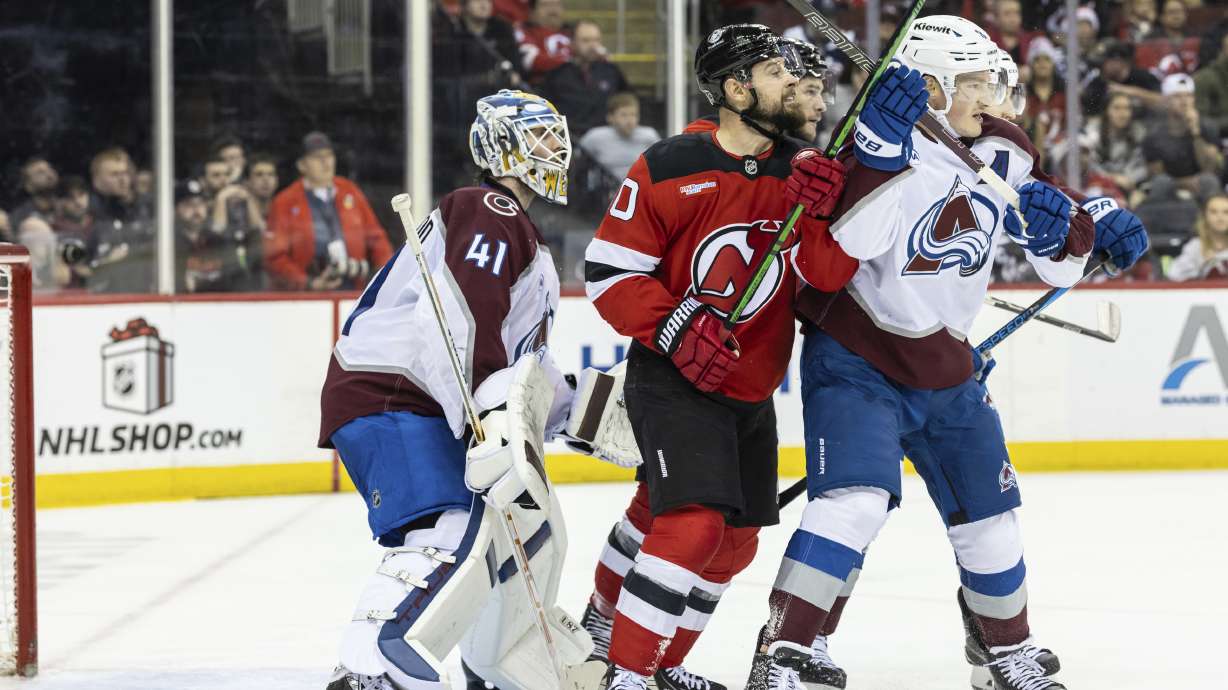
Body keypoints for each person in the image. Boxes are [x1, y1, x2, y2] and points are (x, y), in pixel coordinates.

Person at [749, 16, 1148, 690]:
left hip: (948, 368)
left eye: (992, 81)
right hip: (857, 356)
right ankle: (785, 651)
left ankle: (1004, 654)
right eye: (973, 82)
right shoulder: (872, 138)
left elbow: (1054, 253)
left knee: (991, 518)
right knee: (854, 503)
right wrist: (878, 152)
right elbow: (853, 249)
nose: (991, 96)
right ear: (930, 87)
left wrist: (1080, 231)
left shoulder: (1004, 149)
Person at [582, 25, 856, 690]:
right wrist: (676, 325)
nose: (793, 81)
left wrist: (821, 215)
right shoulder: (671, 164)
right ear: (736, 89)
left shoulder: (805, 170)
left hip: (751, 388)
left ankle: (651, 656)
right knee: (693, 520)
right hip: (673, 375)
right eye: (772, 71)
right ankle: (627, 672)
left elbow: (827, 276)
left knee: (734, 543)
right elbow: (609, 273)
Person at [320, 89, 589, 690]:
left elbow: (526, 365)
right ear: (501, 148)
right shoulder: (487, 207)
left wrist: (585, 410)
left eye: (556, 133)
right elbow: (461, 316)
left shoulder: (522, 234)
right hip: (397, 396)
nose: (557, 147)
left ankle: (494, 670)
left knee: (496, 542)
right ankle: (370, 666)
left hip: (418, 401)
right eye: (541, 135)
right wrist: (483, 417)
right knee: (447, 531)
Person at [264, 131, 393, 291]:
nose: (326, 163)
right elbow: (275, 257)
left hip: (355, 289)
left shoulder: (349, 191)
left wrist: (387, 275)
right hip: (307, 296)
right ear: (302, 165)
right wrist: (308, 283)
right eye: (318, 157)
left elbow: (376, 239)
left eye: (329, 156)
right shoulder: (285, 202)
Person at [540, 19, 630, 136]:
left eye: (596, 40)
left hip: (606, 137)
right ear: (572, 43)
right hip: (570, 138)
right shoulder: (557, 74)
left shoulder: (611, 71)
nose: (593, 45)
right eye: (586, 40)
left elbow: (630, 98)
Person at [1143, 73, 1225, 198]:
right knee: (1162, 183)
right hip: (1171, 190)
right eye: (1177, 96)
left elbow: (1210, 168)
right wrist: (1183, 183)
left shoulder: (1207, 127)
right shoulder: (1154, 135)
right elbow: (1156, 177)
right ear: (1166, 101)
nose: (1184, 101)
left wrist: (1195, 132)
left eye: (1189, 96)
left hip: (1203, 189)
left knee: (1209, 181)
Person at [174, 179, 252, 293]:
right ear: (176, 210)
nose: (196, 210)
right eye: (188, 204)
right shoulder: (170, 243)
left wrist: (199, 286)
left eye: (200, 203)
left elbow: (239, 280)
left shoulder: (219, 240)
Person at [578, 92, 661, 182]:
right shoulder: (595, 137)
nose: (630, 120)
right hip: (605, 192)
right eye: (624, 115)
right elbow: (577, 161)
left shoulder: (649, 136)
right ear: (610, 117)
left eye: (633, 115)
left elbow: (662, 165)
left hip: (639, 191)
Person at [1169, 193, 1228, 280]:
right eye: (1213, 212)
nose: (1220, 217)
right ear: (1204, 216)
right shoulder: (1195, 246)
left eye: (1226, 212)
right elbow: (1173, 275)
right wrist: (1202, 266)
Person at [515, 0, 571, 85]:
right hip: (544, 87)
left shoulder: (573, 32)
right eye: (546, 5)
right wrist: (572, 63)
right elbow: (532, 60)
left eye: (557, 4)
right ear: (532, 12)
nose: (553, 10)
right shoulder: (524, 32)